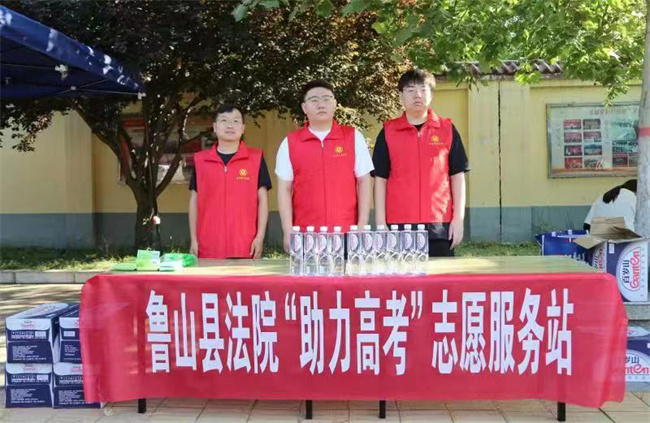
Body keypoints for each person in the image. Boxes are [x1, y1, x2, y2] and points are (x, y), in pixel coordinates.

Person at [372, 69, 470, 257]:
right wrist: (381, 223)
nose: (417, 95)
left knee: (441, 276)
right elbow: (380, 179)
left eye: (423, 90)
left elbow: (457, 176)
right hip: (399, 225)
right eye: (410, 90)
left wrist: (458, 219)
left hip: (439, 224)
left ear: (431, 95)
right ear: (401, 96)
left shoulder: (447, 129)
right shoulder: (388, 132)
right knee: (401, 276)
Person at [275, 80, 373, 251]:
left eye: (326, 99)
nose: (321, 104)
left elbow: (364, 181)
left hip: (346, 234)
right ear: (304, 108)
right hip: (305, 235)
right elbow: (284, 189)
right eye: (314, 100)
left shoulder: (353, 137)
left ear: (335, 104)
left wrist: (362, 225)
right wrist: (288, 230)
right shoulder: (290, 142)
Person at [189, 104, 272, 259]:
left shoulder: (256, 158)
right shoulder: (200, 160)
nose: (230, 125)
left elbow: (263, 200)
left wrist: (259, 237)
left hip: (245, 245)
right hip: (208, 245)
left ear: (243, 128)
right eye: (224, 120)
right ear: (215, 127)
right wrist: (194, 239)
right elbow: (194, 201)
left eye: (235, 121)